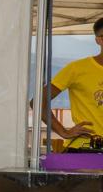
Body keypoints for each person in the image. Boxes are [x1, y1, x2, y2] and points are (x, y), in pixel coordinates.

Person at [41, 17, 103, 152]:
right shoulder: (77, 69)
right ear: (99, 40)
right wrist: (64, 132)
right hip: (87, 149)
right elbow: (39, 102)